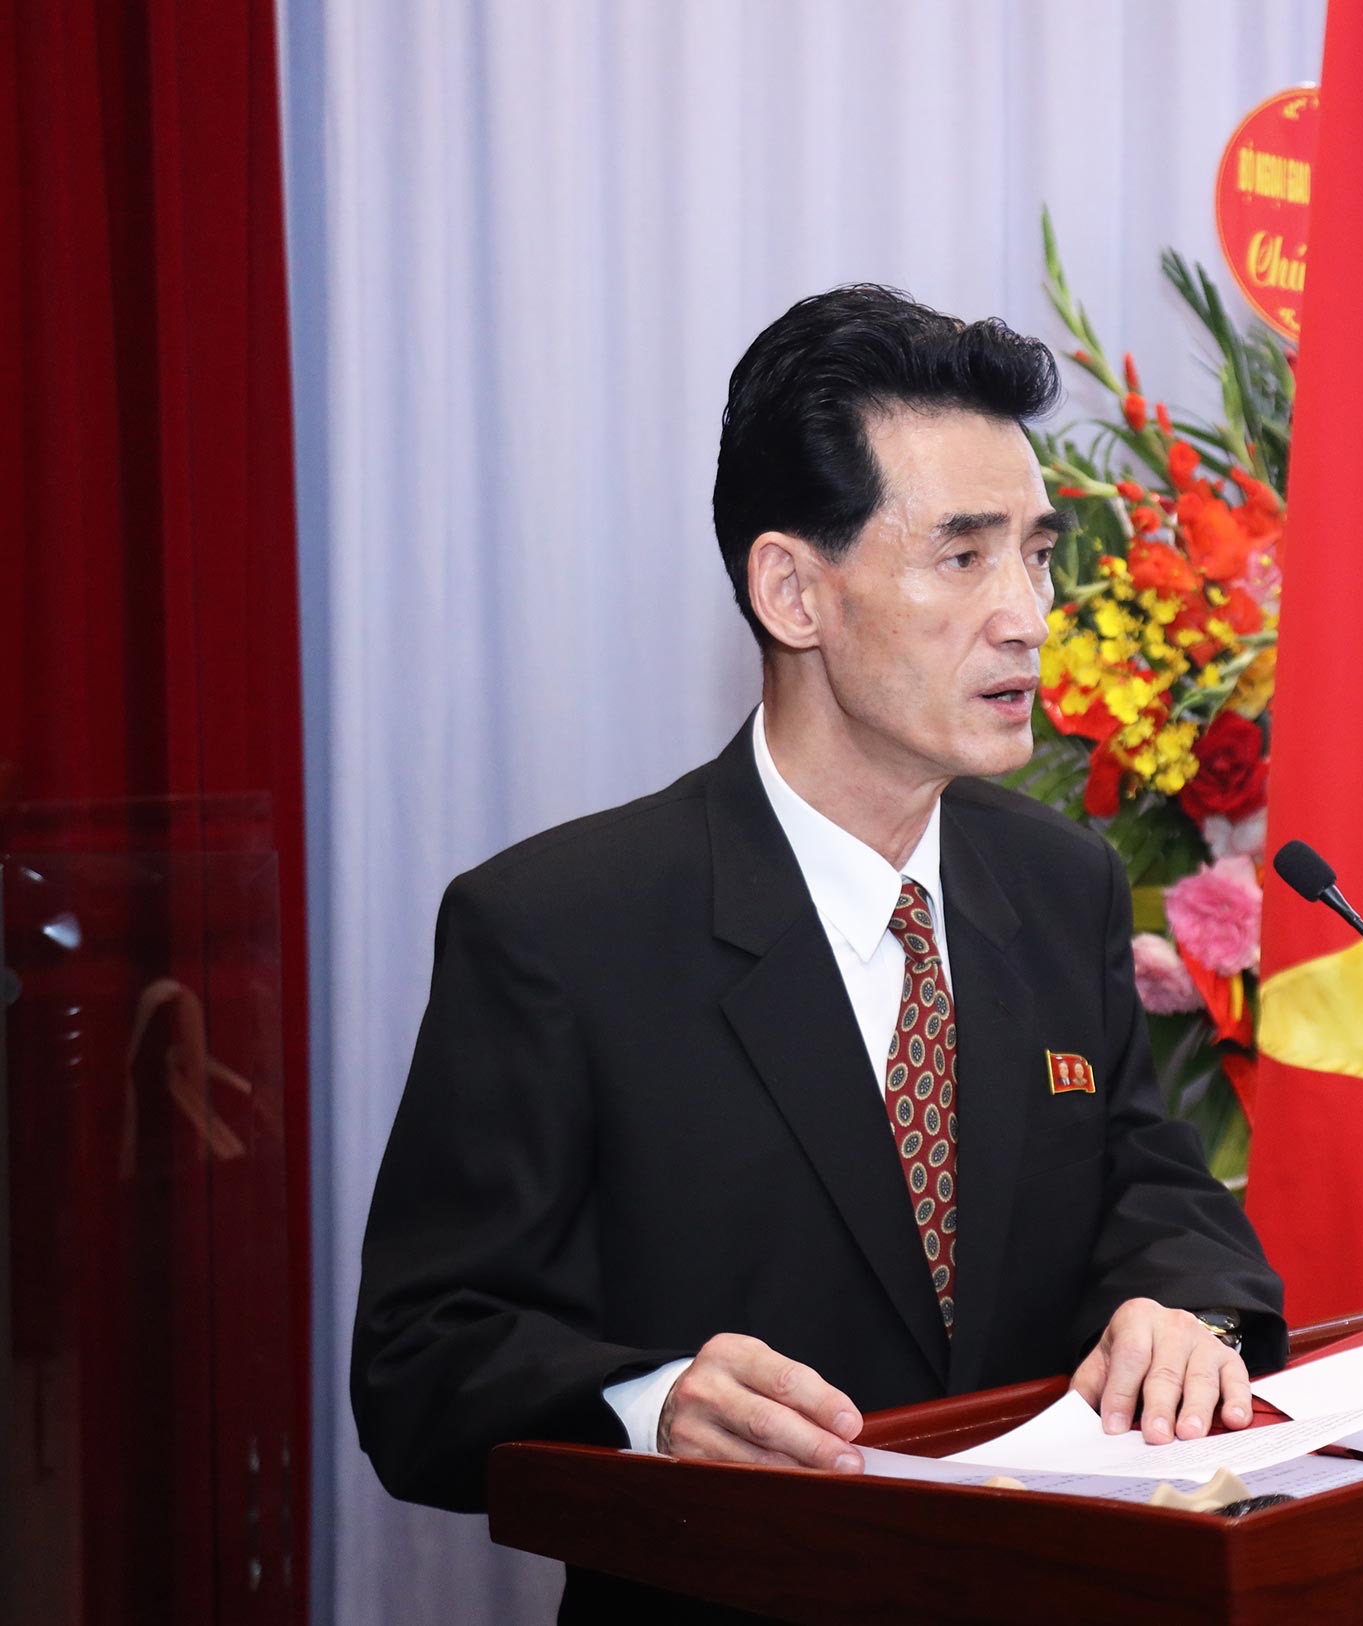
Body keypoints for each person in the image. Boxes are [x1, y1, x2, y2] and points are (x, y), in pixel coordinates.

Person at [351, 286, 1285, 1619]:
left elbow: (1152, 1188)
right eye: (963, 558)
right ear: (793, 590)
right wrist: (651, 1401)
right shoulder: (558, 929)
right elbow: (420, 1361)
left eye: (1034, 553)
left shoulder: (1059, 883)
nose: (1028, 613)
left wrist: (1186, 1311)